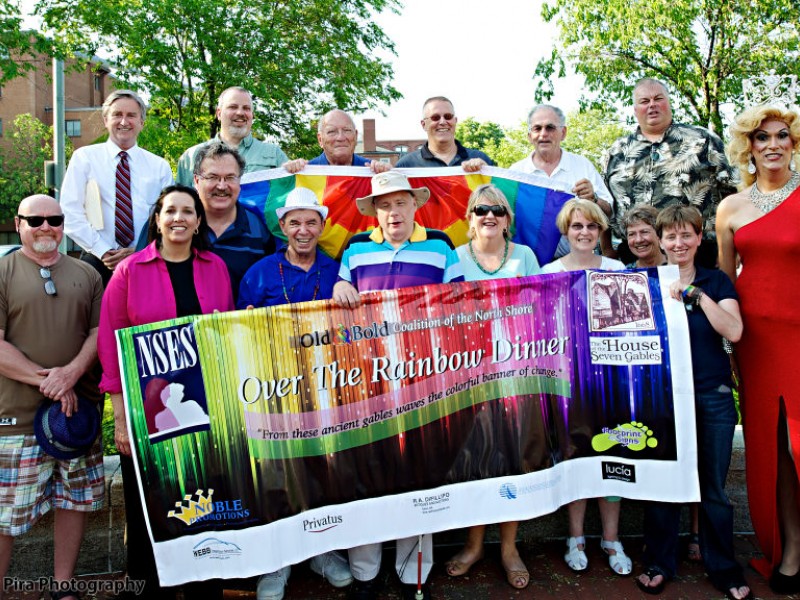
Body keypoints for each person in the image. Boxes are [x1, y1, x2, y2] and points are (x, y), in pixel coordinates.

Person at [98, 185, 234, 599]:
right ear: (157, 219)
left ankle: (202, 581)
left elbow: (225, 334)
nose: (179, 218)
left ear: (198, 221)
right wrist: (121, 415)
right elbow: (110, 342)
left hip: (204, 405)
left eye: (187, 211)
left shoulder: (216, 267)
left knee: (203, 493)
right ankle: (146, 585)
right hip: (147, 410)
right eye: (170, 210)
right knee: (147, 504)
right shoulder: (129, 271)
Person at [333, 171, 464, 600]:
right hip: (366, 378)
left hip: (423, 377)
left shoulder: (441, 245)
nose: (394, 212)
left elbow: (461, 301)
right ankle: (366, 573)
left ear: (415, 205)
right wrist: (339, 285)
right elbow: (341, 293)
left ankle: (413, 571)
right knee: (365, 472)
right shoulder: (354, 248)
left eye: (401, 203)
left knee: (418, 472)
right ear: (375, 211)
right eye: (385, 205)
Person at [238, 187, 348, 600]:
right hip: (274, 389)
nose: (303, 230)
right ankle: (277, 563)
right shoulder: (260, 273)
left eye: (311, 222)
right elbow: (239, 333)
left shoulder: (339, 272)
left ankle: (321, 553)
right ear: (282, 227)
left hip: (328, 389)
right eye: (294, 222)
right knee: (277, 476)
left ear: (322, 227)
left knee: (324, 473)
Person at [636, 205, 750, 600]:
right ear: (661, 241)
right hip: (662, 399)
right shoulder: (647, 282)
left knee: (714, 490)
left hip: (712, 397)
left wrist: (696, 295)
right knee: (663, 485)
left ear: (700, 238)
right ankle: (659, 563)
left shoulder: (715, 282)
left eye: (687, 235)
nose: (679, 243)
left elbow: (733, 330)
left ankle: (725, 569)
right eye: (671, 236)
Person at [0, 194, 104, 600]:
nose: (46, 227)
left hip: (75, 417)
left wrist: (73, 373)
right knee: (5, 515)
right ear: (19, 222)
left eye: (55, 219)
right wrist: (50, 382)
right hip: (17, 415)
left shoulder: (87, 274)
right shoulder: (4, 272)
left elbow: (97, 334)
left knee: (73, 501)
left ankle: (64, 586)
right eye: (36, 220)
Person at [716, 104, 800, 594]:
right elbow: (727, 282)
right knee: (775, 452)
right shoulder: (731, 207)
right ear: (748, 147)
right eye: (762, 137)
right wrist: (728, 343)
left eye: (782, 136)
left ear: (793, 144)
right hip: (757, 343)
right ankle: (790, 549)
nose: (772, 144)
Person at [443, 184, 538, 590]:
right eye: (481, 209)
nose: (489, 216)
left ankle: (509, 548)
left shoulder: (526, 257)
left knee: (512, 460)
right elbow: (441, 313)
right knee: (475, 460)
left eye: (497, 210)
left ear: (508, 218)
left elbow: (540, 308)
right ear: (469, 216)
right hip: (468, 374)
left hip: (517, 370)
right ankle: (474, 544)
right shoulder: (455, 257)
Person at [540, 199, 631, 577]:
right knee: (574, 456)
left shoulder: (617, 269)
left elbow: (630, 325)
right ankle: (574, 538)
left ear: (601, 231)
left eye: (591, 227)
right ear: (566, 231)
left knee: (613, 460)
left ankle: (611, 539)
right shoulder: (548, 272)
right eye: (577, 226)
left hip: (610, 380)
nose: (584, 233)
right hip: (568, 381)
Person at [602, 78, 737, 266]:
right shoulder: (617, 151)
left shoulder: (702, 140)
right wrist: (607, 248)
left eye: (658, 99)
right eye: (644, 101)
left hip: (698, 254)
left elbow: (731, 192)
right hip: (635, 255)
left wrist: (733, 248)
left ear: (668, 102)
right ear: (635, 110)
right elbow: (606, 205)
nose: (652, 105)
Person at [61, 90, 174, 285]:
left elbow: (168, 217)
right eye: (117, 115)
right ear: (106, 120)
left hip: (147, 260)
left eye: (131, 115)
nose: (124, 121)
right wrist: (104, 250)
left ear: (142, 122)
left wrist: (138, 249)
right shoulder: (84, 158)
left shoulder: (159, 166)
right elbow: (70, 212)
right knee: (96, 316)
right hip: (96, 260)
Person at [509, 104, 613, 257]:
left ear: (563, 133)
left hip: (576, 264)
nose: (543, 134)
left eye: (550, 127)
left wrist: (594, 199)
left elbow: (609, 213)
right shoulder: (516, 173)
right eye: (537, 128)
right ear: (529, 136)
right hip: (529, 265)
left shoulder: (583, 166)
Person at [177, 86, 289, 185]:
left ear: (252, 115)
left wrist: (298, 167)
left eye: (246, 108)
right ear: (219, 114)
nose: (240, 113)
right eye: (233, 107)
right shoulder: (190, 157)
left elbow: (292, 195)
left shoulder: (274, 155)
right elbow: (181, 202)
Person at [395, 97, 493, 172]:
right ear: (423, 124)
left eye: (448, 116)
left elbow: (499, 195)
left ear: (455, 121)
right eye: (435, 117)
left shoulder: (480, 159)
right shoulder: (406, 165)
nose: (442, 122)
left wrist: (488, 172)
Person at [282, 109, 391, 173]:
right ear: (320, 140)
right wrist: (287, 176)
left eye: (347, 130)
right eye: (332, 132)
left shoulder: (373, 172)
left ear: (356, 136)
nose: (340, 137)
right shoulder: (305, 173)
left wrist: (389, 175)